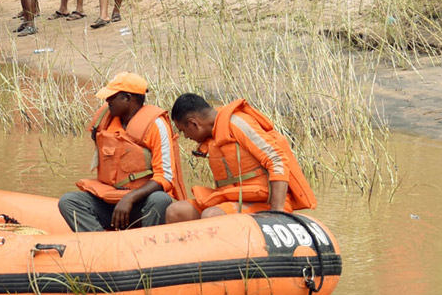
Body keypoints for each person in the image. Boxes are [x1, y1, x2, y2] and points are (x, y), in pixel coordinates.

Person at [58, 72, 185, 232]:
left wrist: (129, 198)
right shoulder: (104, 121)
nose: (107, 101)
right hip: (110, 202)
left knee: (160, 199)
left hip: (141, 203)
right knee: (69, 201)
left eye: (112, 97)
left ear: (127, 98)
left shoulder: (156, 126)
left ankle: (147, 245)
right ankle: (101, 244)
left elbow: (165, 177)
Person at [165, 93, 317, 222]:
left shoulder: (238, 124)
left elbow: (277, 160)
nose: (186, 136)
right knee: (175, 211)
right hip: (230, 200)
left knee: (211, 215)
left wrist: (276, 212)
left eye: (183, 130)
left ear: (193, 123)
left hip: (263, 202)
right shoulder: (212, 133)